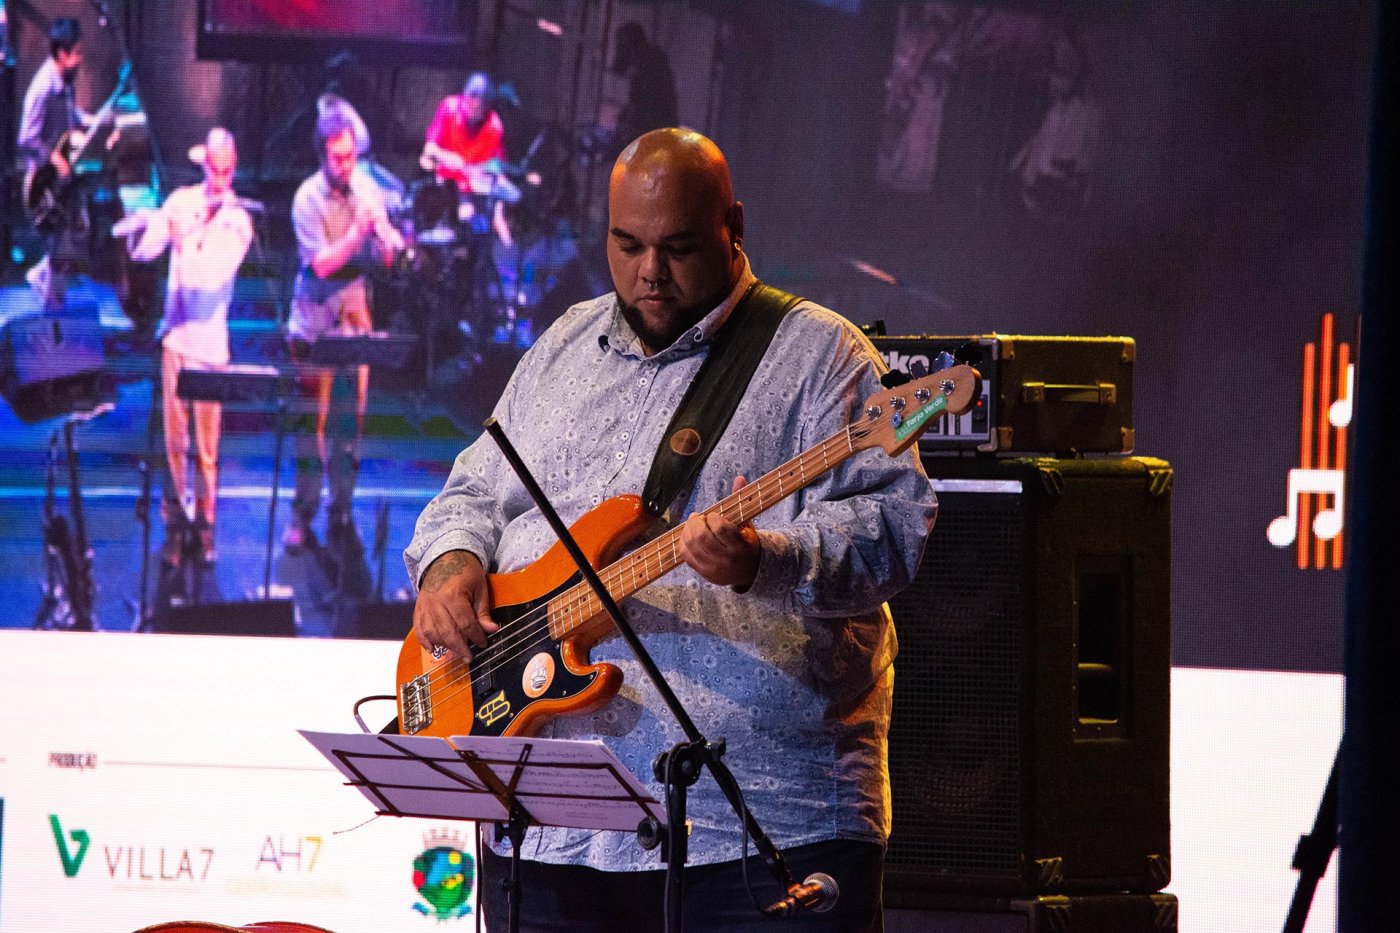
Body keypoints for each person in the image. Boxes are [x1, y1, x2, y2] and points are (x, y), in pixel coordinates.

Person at [403, 128, 936, 931]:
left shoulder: (823, 358)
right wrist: (450, 562)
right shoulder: (562, 346)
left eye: (678, 247)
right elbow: (474, 487)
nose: (650, 271)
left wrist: (766, 559)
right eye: (627, 245)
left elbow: (895, 526)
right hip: (553, 822)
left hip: (760, 826)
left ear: (733, 227)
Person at [118, 128, 253, 566]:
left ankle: (206, 524)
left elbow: (208, 277)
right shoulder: (181, 201)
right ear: (203, 166)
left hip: (211, 348)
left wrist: (182, 236)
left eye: (227, 171)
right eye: (214, 170)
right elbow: (145, 252)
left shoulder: (239, 222)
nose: (221, 179)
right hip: (176, 341)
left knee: (207, 450)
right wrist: (142, 225)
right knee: (174, 443)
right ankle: (175, 524)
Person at [285, 107, 404, 550]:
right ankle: (303, 514)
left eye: (350, 156)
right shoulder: (306, 199)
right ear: (322, 156)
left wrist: (389, 244)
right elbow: (321, 264)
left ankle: (342, 508)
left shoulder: (367, 190)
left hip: (355, 327)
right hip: (314, 329)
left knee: (349, 429)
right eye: (337, 158)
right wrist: (357, 233)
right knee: (309, 431)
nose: (345, 165)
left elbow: (384, 258)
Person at [17, 17, 90, 311]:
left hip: (63, 180)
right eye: (77, 52)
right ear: (62, 54)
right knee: (62, 246)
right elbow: (26, 137)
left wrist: (94, 122)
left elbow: (71, 118)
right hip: (43, 183)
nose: (81, 59)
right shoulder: (43, 88)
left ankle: (42, 277)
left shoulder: (66, 83)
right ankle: (53, 306)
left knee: (75, 236)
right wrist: (55, 157)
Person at [420, 71, 514, 247]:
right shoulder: (449, 107)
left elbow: (499, 172)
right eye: (469, 101)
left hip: (474, 191)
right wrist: (446, 156)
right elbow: (429, 148)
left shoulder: (494, 126)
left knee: (476, 224)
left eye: (478, 105)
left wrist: (499, 213)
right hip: (445, 186)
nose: (471, 108)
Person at [607, 22, 679, 162]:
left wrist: (622, 141)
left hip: (656, 143)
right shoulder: (650, 61)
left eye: (621, 46)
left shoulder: (648, 64)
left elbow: (647, 110)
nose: (619, 51)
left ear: (629, 45)